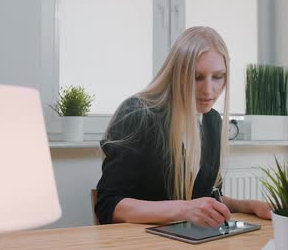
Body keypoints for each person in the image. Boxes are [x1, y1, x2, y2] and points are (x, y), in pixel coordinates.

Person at [95, 26, 272, 227]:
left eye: (218, 76)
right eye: (197, 77)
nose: (208, 90)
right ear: (176, 74)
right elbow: (108, 205)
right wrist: (185, 209)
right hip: (140, 245)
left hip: (188, 242)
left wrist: (248, 205)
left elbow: (204, 198)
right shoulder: (137, 114)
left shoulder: (212, 121)